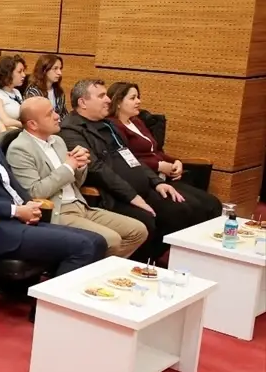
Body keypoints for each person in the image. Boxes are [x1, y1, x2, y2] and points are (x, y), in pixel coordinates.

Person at [0, 102, 108, 291]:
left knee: (97, 241)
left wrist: (30, 205)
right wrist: (17, 210)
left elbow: (13, 185)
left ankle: (62, 304)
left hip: (21, 220)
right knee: (84, 246)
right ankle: (47, 310)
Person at [59, 79, 221, 263]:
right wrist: (132, 197)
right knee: (162, 217)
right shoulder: (71, 129)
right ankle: (139, 265)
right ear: (83, 102)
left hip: (139, 188)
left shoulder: (108, 125)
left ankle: (159, 260)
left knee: (188, 207)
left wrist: (157, 182)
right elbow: (97, 170)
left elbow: (132, 159)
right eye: (102, 96)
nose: (108, 100)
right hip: (113, 195)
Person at [7, 97, 148, 259]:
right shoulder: (20, 149)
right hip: (57, 212)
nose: (57, 116)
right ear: (33, 124)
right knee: (112, 240)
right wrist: (68, 167)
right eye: (49, 114)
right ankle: (92, 273)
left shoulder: (57, 141)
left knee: (138, 231)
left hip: (81, 205)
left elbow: (75, 183)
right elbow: (34, 193)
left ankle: (93, 269)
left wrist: (80, 167)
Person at [108, 81, 222, 213]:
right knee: (189, 207)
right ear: (118, 102)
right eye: (133, 98)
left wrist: (175, 161)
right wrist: (158, 166)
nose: (138, 101)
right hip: (145, 180)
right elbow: (126, 159)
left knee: (211, 202)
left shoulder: (136, 121)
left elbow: (155, 151)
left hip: (163, 176)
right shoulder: (114, 126)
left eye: (138, 97)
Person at [0, 54, 27, 130]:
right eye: (19, 72)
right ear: (7, 73)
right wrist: (26, 125)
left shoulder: (16, 92)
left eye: (23, 71)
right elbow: (5, 121)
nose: (24, 75)